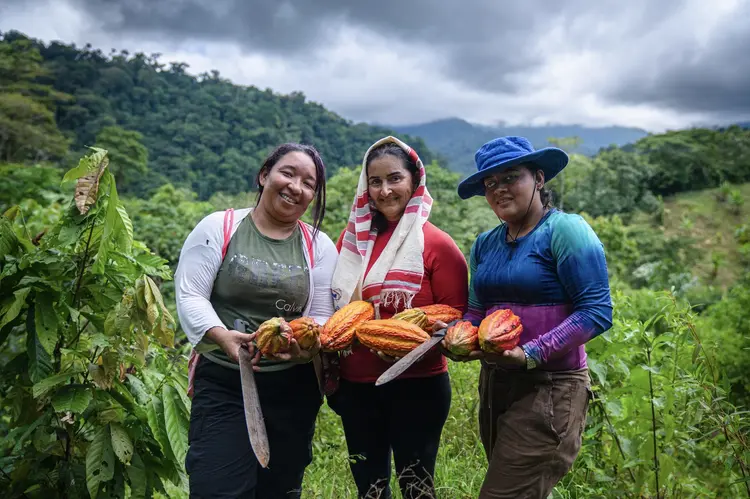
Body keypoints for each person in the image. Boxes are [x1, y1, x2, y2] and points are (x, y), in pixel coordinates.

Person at [450, 136, 613, 498]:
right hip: (496, 384)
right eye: (490, 183)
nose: (499, 189)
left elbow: (597, 311)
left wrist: (531, 353)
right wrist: (455, 335)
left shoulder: (565, 231)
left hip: (551, 387)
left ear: (538, 178)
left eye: (510, 177)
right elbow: (477, 312)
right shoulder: (485, 244)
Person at [174, 143, 338, 498]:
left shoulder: (318, 245)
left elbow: (323, 315)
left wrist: (301, 348)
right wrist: (222, 337)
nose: (297, 187)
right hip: (224, 382)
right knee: (217, 487)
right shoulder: (220, 226)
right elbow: (190, 294)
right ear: (265, 175)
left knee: (279, 488)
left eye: (309, 183)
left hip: (292, 386)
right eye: (288, 173)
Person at [327, 136, 469, 499]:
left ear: (414, 181)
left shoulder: (436, 244)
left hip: (417, 386)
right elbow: (335, 304)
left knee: (416, 486)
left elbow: (458, 313)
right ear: (365, 186)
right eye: (375, 181)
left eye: (394, 179)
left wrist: (423, 327)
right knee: (370, 488)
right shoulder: (352, 240)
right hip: (357, 385)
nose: (385, 190)